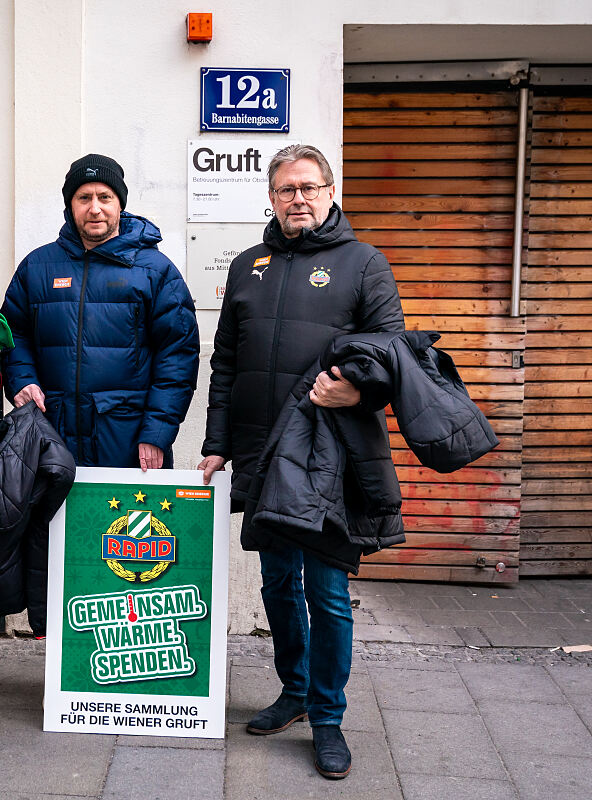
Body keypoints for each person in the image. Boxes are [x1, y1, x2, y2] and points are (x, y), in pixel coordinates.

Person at [199, 144, 405, 779]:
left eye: (309, 188)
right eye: (287, 189)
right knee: (277, 582)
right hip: (262, 453)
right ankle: (293, 690)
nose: (298, 199)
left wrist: (359, 391)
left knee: (329, 592)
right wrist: (216, 441)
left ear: (329, 190)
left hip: (331, 456)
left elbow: (397, 356)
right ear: (270, 196)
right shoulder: (246, 266)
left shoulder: (364, 264)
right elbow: (226, 364)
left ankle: (327, 717)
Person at [0, 153, 199, 470]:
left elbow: (177, 356)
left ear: (119, 203)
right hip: (51, 436)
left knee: (127, 520)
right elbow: (12, 335)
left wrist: (157, 432)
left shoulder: (155, 271)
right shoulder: (37, 267)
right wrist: (22, 381)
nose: (95, 208)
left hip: (127, 441)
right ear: (70, 206)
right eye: (84, 198)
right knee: (53, 520)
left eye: (104, 197)